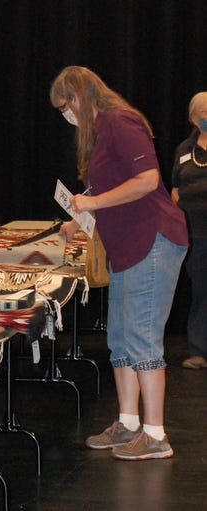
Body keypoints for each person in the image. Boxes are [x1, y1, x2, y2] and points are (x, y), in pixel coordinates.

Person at [50, 66, 188, 460]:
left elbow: (147, 180)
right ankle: (128, 424)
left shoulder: (120, 121)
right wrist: (76, 221)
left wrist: (90, 202)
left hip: (152, 239)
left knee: (142, 337)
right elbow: (107, 190)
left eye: (65, 106)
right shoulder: (100, 133)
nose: (66, 115)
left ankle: (156, 434)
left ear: (77, 97)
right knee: (121, 338)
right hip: (127, 246)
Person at [171, 92, 207, 370]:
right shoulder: (185, 149)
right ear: (194, 118)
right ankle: (198, 350)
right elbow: (174, 187)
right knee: (200, 292)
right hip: (194, 233)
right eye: (204, 112)